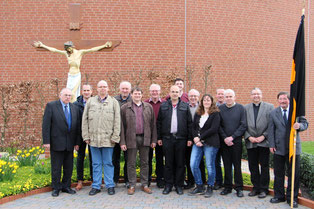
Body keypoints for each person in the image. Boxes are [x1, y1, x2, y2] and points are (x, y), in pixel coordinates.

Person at [33, 41, 112, 102]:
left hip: (77, 75)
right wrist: (42, 45)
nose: (68, 50)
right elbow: (54, 50)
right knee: (68, 92)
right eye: (67, 49)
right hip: (70, 75)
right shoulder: (67, 54)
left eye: (69, 48)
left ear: (71, 47)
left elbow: (92, 50)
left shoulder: (80, 53)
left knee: (74, 93)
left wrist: (104, 45)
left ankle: (74, 104)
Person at [268, 92, 308, 208]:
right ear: (278, 101)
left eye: (284, 99)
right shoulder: (273, 113)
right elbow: (271, 130)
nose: (282, 101)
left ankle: (292, 198)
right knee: (278, 174)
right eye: (280, 99)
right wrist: (271, 144)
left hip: (293, 148)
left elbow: (305, 124)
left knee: (293, 174)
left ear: (289, 100)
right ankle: (279, 196)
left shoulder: (296, 112)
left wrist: (299, 126)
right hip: (278, 148)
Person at [82, 80, 120, 196]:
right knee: (96, 163)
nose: (102, 89)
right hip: (93, 139)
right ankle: (96, 186)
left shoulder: (113, 102)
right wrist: (86, 136)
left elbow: (117, 121)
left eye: (104, 87)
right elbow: (85, 120)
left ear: (108, 89)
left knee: (108, 163)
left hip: (108, 140)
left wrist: (115, 136)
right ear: (97, 89)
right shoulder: (91, 102)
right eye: (100, 87)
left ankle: (110, 185)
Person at [42, 88, 80, 197]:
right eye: (66, 95)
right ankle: (56, 187)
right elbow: (46, 125)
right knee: (56, 167)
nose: (68, 97)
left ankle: (66, 186)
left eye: (69, 95)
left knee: (69, 166)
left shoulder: (74, 107)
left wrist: (77, 142)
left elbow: (77, 126)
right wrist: (46, 141)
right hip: (56, 142)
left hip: (70, 143)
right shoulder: (51, 106)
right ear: (60, 95)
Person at [120, 87, 157, 195]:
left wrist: (153, 139)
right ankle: (131, 184)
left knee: (145, 162)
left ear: (142, 95)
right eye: (135, 94)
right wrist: (122, 142)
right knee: (131, 163)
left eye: (139, 94)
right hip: (131, 138)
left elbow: (153, 125)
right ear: (131, 95)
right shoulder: (124, 108)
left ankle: (144, 184)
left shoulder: (148, 107)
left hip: (145, 138)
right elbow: (121, 126)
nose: (137, 95)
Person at [157, 85, 193, 195]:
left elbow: (189, 124)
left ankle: (179, 185)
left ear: (179, 93)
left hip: (181, 139)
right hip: (167, 138)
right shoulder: (163, 106)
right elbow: (159, 123)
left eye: (176, 92)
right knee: (168, 163)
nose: (174, 94)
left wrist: (189, 138)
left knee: (180, 163)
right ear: (170, 92)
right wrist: (159, 137)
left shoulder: (185, 106)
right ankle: (168, 185)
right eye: (172, 91)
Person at [244, 88, 274, 198]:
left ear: (261, 95)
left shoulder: (269, 107)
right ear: (251, 96)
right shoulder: (245, 108)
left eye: (258, 94)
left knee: (264, 166)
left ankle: (264, 189)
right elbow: (243, 124)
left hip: (264, 142)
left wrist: (263, 136)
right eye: (254, 94)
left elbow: (271, 124)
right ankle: (255, 188)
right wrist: (248, 136)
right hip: (251, 142)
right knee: (252, 166)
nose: (256, 96)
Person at [189, 94, 220, 198]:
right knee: (193, 164)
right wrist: (195, 138)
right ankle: (199, 185)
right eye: (204, 100)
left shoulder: (215, 114)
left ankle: (210, 186)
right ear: (201, 102)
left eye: (208, 100)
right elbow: (193, 127)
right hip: (197, 143)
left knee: (210, 166)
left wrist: (200, 138)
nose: (206, 102)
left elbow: (213, 129)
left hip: (210, 143)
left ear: (212, 102)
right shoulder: (198, 113)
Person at [219, 89, 247, 197]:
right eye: (227, 97)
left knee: (237, 165)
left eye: (230, 96)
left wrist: (233, 137)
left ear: (235, 97)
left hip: (236, 142)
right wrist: (225, 138)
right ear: (224, 98)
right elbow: (219, 125)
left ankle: (239, 188)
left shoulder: (240, 108)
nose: (228, 98)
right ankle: (227, 187)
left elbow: (243, 125)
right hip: (224, 142)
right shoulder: (220, 109)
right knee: (226, 165)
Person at [144, 84, 165, 188]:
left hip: (161, 135)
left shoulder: (165, 103)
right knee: (147, 158)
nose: (154, 93)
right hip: (148, 135)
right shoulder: (145, 103)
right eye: (152, 91)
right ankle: (147, 179)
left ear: (160, 91)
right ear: (150, 92)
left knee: (160, 159)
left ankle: (160, 179)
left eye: (156, 91)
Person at [73, 84, 93, 191]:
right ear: (82, 92)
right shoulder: (76, 105)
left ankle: (94, 180)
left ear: (91, 91)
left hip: (93, 135)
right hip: (80, 135)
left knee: (93, 158)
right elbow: (75, 123)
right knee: (80, 158)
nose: (86, 92)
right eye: (84, 90)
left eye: (88, 90)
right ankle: (80, 181)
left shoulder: (96, 102)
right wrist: (75, 141)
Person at [185, 89, 206, 189]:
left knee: (200, 161)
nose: (193, 98)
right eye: (191, 96)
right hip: (188, 138)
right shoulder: (185, 107)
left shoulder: (203, 108)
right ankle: (190, 182)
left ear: (199, 97)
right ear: (188, 97)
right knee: (189, 161)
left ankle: (202, 182)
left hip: (200, 138)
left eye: (195, 96)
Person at [113, 81, 132, 187]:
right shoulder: (113, 100)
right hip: (116, 134)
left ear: (130, 90)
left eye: (127, 89)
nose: (125, 90)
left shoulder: (133, 100)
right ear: (119, 89)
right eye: (123, 88)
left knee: (128, 159)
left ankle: (127, 180)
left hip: (128, 134)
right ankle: (114, 180)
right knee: (114, 159)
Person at [214, 88, 225, 190]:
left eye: (222, 94)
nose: (220, 95)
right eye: (219, 94)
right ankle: (218, 181)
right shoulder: (213, 107)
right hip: (215, 139)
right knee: (216, 162)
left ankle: (228, 183)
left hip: (226, 139)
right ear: (216, 95)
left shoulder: (228, 106)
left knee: (227, 162)